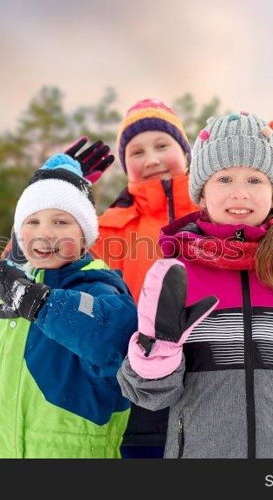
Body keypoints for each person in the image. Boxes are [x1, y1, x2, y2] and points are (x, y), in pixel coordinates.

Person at [117, 112, 273, 458]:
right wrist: (157, 353)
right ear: (202, 195)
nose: (240, 193)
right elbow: (150, 395)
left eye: (255, 180)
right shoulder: (176, 274)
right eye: (224, 179)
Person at [0, 154, 137, 458]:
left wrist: (35, 301)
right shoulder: (5, 310)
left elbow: (111, 339)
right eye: (32, 221)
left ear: (84, 234)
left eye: (61, 222)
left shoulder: (101, 289)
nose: (45, 232)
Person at [89, 98, 199, 458]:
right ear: (125, 165)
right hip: (137, 402)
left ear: (184, 151)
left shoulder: (219, 214)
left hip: (215, 394)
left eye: (162, 145)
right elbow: (34, 261)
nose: (151, 159)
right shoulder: (107, 230)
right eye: (136, 152)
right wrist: (58, 192)